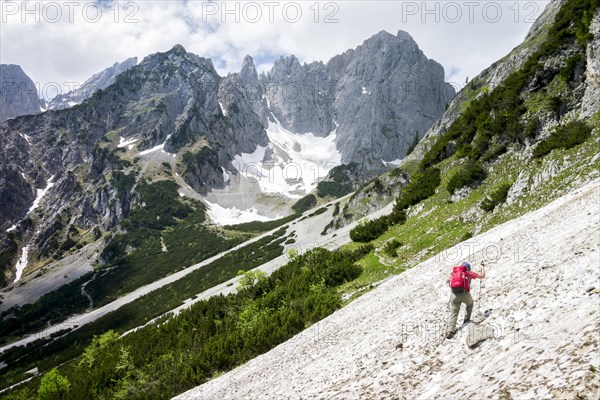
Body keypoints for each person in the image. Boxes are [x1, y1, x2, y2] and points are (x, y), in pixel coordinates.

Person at [445, 261, 486, 339]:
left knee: (454, 311)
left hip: (454, 294)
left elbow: (447, 280)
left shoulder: (454, 273)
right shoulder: (468, 272)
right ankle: (466, 320)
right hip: (464, 293)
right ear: (468, 268)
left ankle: (450, 331)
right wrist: (482, 267)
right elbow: (482, 276)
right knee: (470, 304)